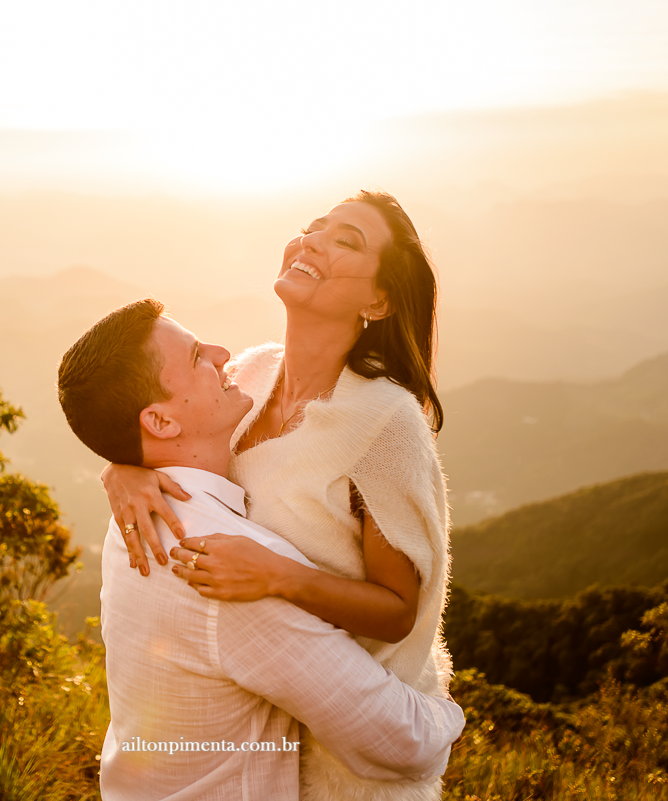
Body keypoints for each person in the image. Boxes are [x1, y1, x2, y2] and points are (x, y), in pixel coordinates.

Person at [101, 191, 453, 800]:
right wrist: (123, 466)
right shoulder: (254, 373)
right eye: (312, 228)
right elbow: (177, 422)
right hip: (263, 732)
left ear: (379, 300)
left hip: (359, 749)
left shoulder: (383, 423)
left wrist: (281, 577)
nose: (312, 241)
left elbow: (398, 610)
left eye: (345, 240)